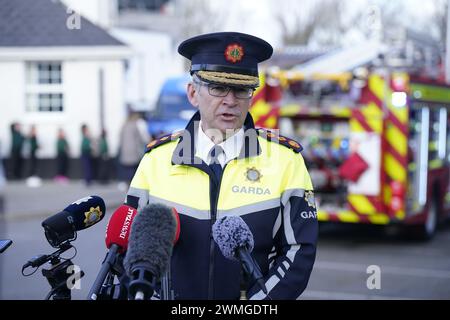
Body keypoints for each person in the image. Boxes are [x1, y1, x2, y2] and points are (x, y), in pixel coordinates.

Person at [125, 32, 318, 300]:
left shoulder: (286, 160)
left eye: (241, 89)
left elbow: (300, 250)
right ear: (193, 93)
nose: (230, 100)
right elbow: (129, 250)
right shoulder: (155, 160)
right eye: (217, 88)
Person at [117, 113, 150, 188]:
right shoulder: (135, 126)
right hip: (133, 150)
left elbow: (120, 138)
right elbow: (139, 138)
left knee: (126, 167)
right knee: (133, 168)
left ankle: (126, 182)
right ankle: (133, 183)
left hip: (125, 150)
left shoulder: (124, 126)